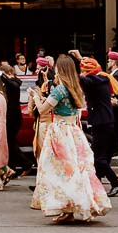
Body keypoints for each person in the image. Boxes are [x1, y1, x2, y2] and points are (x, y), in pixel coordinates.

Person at [29, 54, 111, 223]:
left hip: (60, 132)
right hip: (73, 131)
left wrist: (36, 97)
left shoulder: (60, 89)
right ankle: (72, 207)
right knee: (76, 169)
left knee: (57, 171)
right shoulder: (75, 87)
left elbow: (43, 110)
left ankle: (67, 208)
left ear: (60, 69)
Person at [78, 57, 118, 197]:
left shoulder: (95, 81)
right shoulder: (101, 79)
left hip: (101, 123)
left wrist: (70, 69)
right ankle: (95, 184)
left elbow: (82, 80)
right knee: (99, 156)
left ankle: (116, 183)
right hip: (105, 122)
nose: (82, 73)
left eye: (83, 71)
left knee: (98, 158)